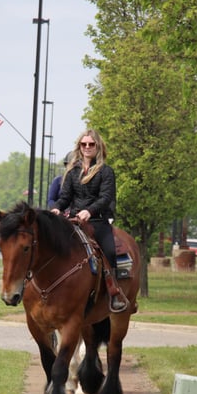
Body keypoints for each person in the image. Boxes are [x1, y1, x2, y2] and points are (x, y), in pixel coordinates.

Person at [51, 129, 127, 312]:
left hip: (98, 221)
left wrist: (89, 211)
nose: (87, 147)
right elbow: (65, 197)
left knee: (108, 250)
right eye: (83, 144)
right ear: (79, 146)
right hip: (74, 220)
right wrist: (57, 208)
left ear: (98, 147)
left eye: (91, 144)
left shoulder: (106, 171)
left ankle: (113, 292)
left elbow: (106, 197)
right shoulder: (72, 171)